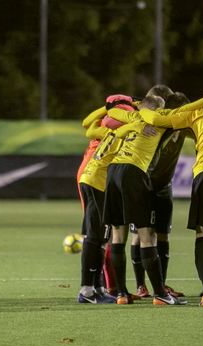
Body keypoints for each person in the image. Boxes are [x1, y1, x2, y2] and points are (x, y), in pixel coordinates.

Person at [103, 95, 186, 306]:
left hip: (113, 171)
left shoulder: (133, 117)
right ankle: (160, 295)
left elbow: (111, 111)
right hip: (134, 172)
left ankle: (121, 294)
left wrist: (135, 108)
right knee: (147, 235)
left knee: (117, 234)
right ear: (159, 109)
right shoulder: (159, 119)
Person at [75, 94, 132, 303]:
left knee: (100, 237)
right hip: (99, 182)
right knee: (96, 236)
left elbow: (89, 128)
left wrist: (107, 109)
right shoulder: (128, 131)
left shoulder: (107, 129)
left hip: (90, 178)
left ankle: (97, 288)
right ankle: (87, 291)